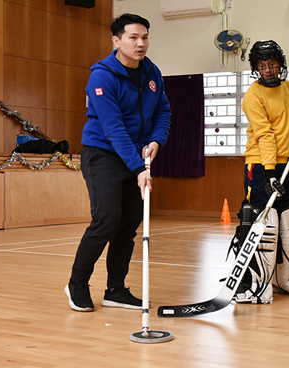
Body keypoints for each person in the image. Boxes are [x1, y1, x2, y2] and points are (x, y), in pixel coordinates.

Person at [65, 13, 171, 312]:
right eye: (133, 37)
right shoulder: (101, 76)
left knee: (127, 225)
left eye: (145, 37)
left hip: (134, 153)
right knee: (107, 219)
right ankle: (77, 284)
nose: (141, 43)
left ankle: (115, 290)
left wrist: (155, 141)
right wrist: (138, 169)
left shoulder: (151, 73)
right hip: (102, 155)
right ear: (117, 40)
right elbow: (113, 128)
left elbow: (163, 110)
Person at [227, 40, 289, 304]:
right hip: (261, 164)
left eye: (272, 64)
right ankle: (250, 281)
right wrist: (270, 173)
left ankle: (283, 277)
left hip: (287, 162)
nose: (268, 70)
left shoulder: (287, 87)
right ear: (256, 68)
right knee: (259, 218)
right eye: (263, 65)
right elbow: (264, 135)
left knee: (285, 216)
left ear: (280, 64)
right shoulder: (253, 96)